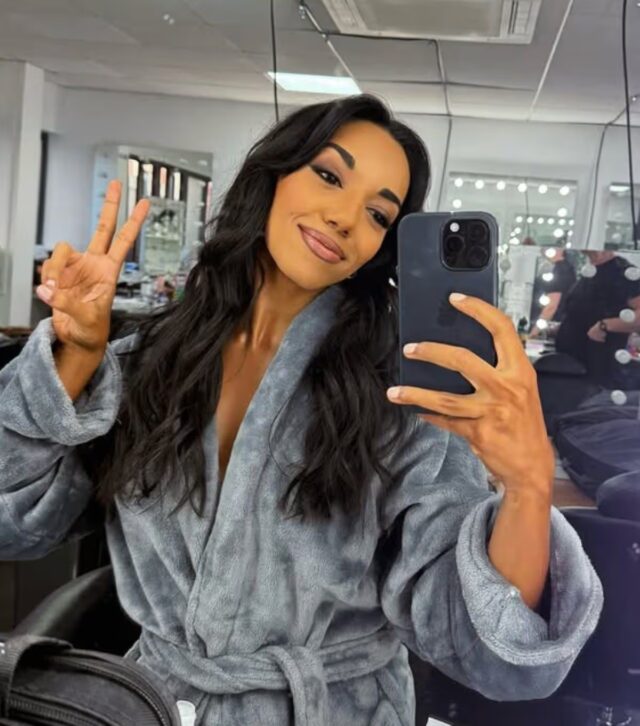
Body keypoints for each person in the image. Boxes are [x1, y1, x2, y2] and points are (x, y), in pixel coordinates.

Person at [0, 95, 602, 726]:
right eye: (329, 175)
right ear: (275, 175)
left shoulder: (401, 400)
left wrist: (528, 484)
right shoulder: (148, 363)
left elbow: (492, 656)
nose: (344, 218)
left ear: (383, 245)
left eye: (377, 213)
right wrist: (78, 354)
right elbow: (14, 525)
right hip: (157, 705)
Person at [555, 250, 640, 388]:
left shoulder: (622, 272)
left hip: (600, 367)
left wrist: (605, 325)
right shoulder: (591, 271)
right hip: (574, 367)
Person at [529, 247, 577, 338]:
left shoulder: (561, 270)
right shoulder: (565, 268)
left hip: (552, 327)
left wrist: (534, 332)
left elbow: (552, 305)